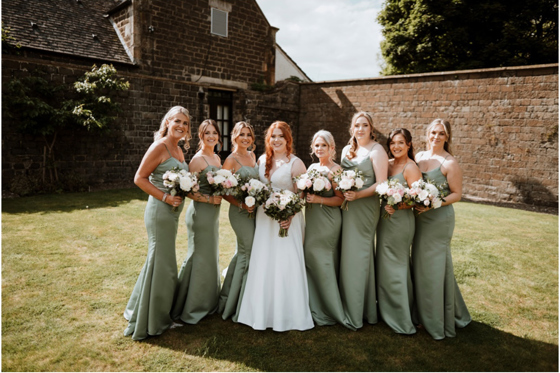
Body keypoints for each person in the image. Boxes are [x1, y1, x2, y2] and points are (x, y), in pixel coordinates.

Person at [237, 121, 314, 331]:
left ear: (288, 139)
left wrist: (290, 214)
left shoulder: (295, 163)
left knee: (286, 262)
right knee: (264, 261)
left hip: (287, 219)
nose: (277, 140)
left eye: (281, 136)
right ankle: (261, 313)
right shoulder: (261, 160)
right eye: (273, 136)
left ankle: (288, 315)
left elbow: (302, 194)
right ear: (268, 139)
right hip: (264, 218)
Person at [123, 106, 191, 340]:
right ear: (168, 122)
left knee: (157, 261)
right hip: (159, 211)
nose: (181, 126)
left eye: (185, 123)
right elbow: (139, 178)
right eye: (177, 121)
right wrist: (165, 197)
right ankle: (156, 319)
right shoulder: (159, 146)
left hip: (172, 212)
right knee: (164, 264)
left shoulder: (179, 150)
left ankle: (137, 307)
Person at [412, 118, 472, 340]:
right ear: (427, 134)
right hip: (418, 218)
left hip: (438, 220)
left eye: (441, 134)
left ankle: (436, 318)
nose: (436, 137)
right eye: (433, 132)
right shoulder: (418, 157)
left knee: (434, 268)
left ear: (447, 137)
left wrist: (433, 203)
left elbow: (457, 194)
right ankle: (421, 312)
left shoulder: (450, 163)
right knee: (419, 264)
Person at [339, 111, 388, 329]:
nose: (360, 129)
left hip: (365, 207)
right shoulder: (346, 149)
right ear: (352, 129)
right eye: (357, 125)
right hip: (346, 207)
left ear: (371, 128)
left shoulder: (377, 151)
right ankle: (354, 304)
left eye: (365, 125)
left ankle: (357, 311)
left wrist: (358, 194)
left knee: (359, 254)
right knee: (347, 253)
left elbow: (381, 184)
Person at [172, 119, 223, 324]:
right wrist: (210, 199)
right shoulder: (198, 160)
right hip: (200, 214)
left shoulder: (217, 158)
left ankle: (207, 302)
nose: (211, 136)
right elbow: (187, 191)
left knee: (210, 256)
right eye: (207, 133)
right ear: (200, 136)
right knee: (199, 256)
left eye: (214, 133)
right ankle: (189, 306)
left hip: (213, 215)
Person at [303, 130, 355, 330]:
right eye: (316, 145)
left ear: (332, 148)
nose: (319, 149)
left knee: (323, 261)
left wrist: (318, 199)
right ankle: (314, 306)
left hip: (328, 221)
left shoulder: (336, 170)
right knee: (311, 258)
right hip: (313, 220)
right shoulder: (312, 167)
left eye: (323, 145)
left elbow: (340, 199)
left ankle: (331, 310)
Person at [376, 128, 422, 335]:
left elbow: (419, 198)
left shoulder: (411, 167)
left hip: (401, 222)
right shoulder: (389, 164)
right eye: (393, 143)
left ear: (409, 145)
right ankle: (387, 309)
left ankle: (402, 316)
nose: (396, 146)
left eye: (401, 143)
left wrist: (398, 205)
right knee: (385, 265)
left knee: (397, 266)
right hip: (385, 221)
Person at [218, 121, 259, 322]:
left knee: (243, 251)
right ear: (234, 136)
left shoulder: (252, 156)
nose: (245, 138)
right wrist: (241, 205)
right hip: (240, 212)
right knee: (247, 251)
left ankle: (231, 295)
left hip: (255, 211)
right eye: (242, 134)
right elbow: (223, 191)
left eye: (249, 135)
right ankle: (235, 302)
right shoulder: (231, 160)